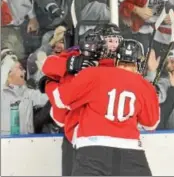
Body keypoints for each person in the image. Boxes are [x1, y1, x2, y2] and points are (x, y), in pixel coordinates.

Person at [44, 39, 160, 176]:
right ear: (138, 64)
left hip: (92, 150)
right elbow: (151, 124)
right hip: (131, 152)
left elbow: (60, 100)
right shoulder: (144, 85)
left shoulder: (94, 74)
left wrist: (49, 83)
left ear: (116, 61)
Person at [39, 23, 122, 176]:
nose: (114, 45)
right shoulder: (80, 53)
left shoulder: (120, 62)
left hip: (105, 133)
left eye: (116, 41)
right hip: (75, 128)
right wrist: (70, 64)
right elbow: (48, 65)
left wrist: (50, 85)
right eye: (110, 40)